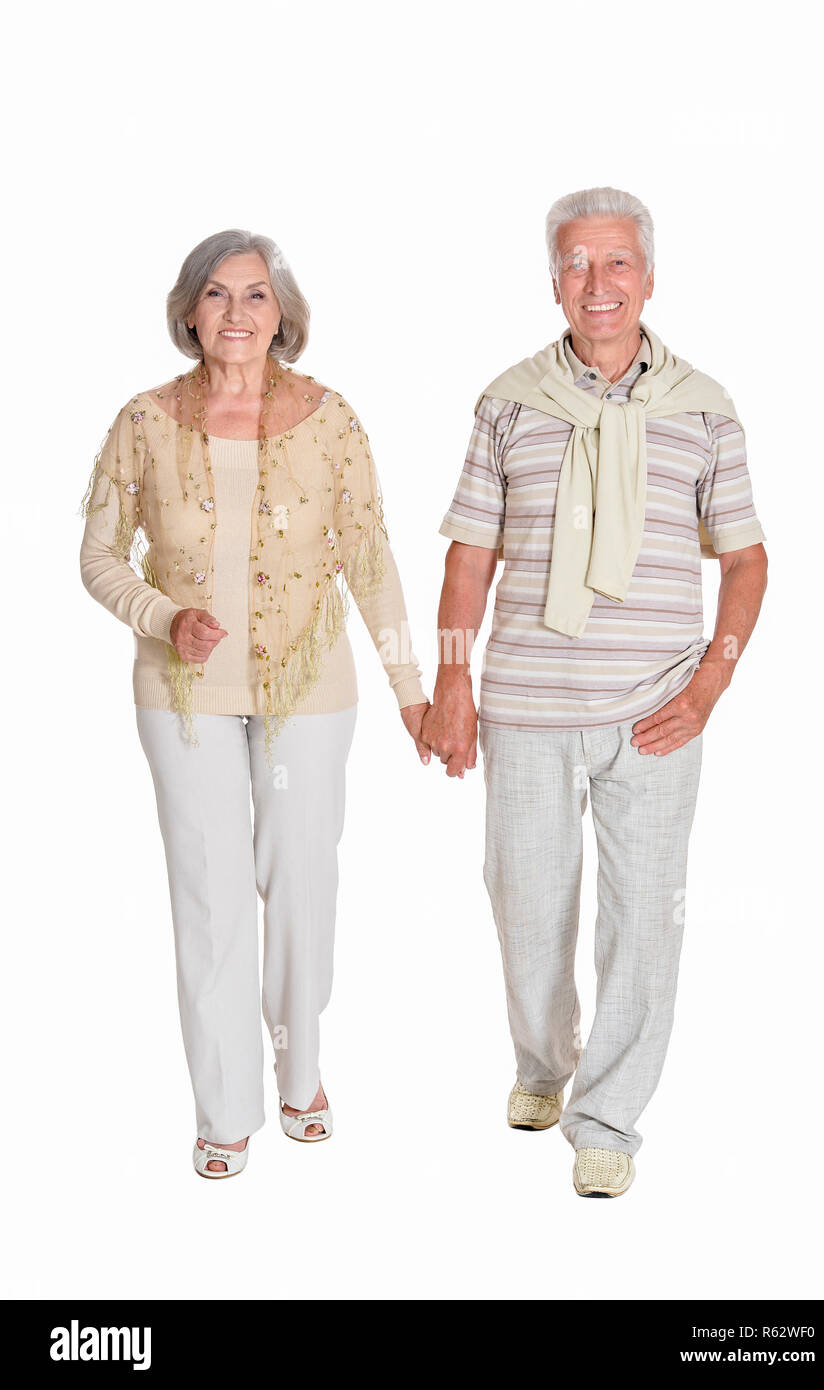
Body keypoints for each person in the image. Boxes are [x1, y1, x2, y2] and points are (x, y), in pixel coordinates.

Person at [423, 186, 767, 1198]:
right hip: (525, 703)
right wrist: (450, 676)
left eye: (616, 262)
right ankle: (542, 1062)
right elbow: (467, 556)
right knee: (525, 907)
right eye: (577, 263)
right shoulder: (507, 399)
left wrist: (711, 685)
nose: (597, 282)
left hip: (655, 709)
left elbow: (745, 561)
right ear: (554, 282)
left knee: (643, 920)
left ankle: (607, 1113)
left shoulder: (704, 406)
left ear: (648, 278)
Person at [80, 230, 430, 1178]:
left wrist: (414, 691)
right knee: (210, 894)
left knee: (302, 883)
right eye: (218, 294)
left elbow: (371, 561)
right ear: (189, 311)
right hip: (182, 695)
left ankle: (301, 1067)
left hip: (308, 690)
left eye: (258, 296)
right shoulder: (143, 422)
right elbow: (99, 556)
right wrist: (161, 614)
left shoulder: (332, 419)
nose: (237, 312)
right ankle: (224, 1102)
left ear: (284, 316)